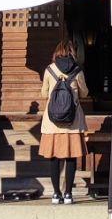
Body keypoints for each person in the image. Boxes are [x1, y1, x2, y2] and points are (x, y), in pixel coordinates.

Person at [38, 37, 90, 204]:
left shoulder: (49, 70)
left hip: (52, 123)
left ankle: (55, 194)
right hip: (72, 122)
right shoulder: (77, 71)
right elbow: (84, 94)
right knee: (71, 157)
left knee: (54, 158)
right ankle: (68, 193)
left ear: (56, 53)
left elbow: (44, 94)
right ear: (72, 53)